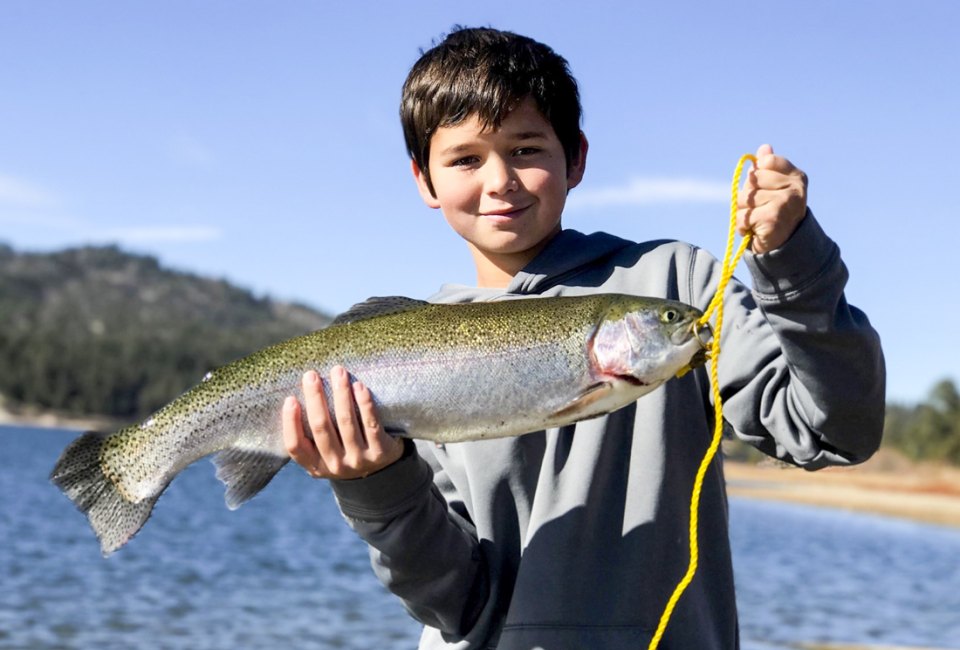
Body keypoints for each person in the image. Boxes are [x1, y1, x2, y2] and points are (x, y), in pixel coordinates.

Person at [281, 26, 885, 649]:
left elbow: (831, 431)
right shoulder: (411, 354)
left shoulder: (676, 288)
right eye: (465, 158)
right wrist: (375, 483)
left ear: (576, 158)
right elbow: (456, 603)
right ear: (425, 181)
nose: (500, 181)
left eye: (525, 150)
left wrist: (794, 263)